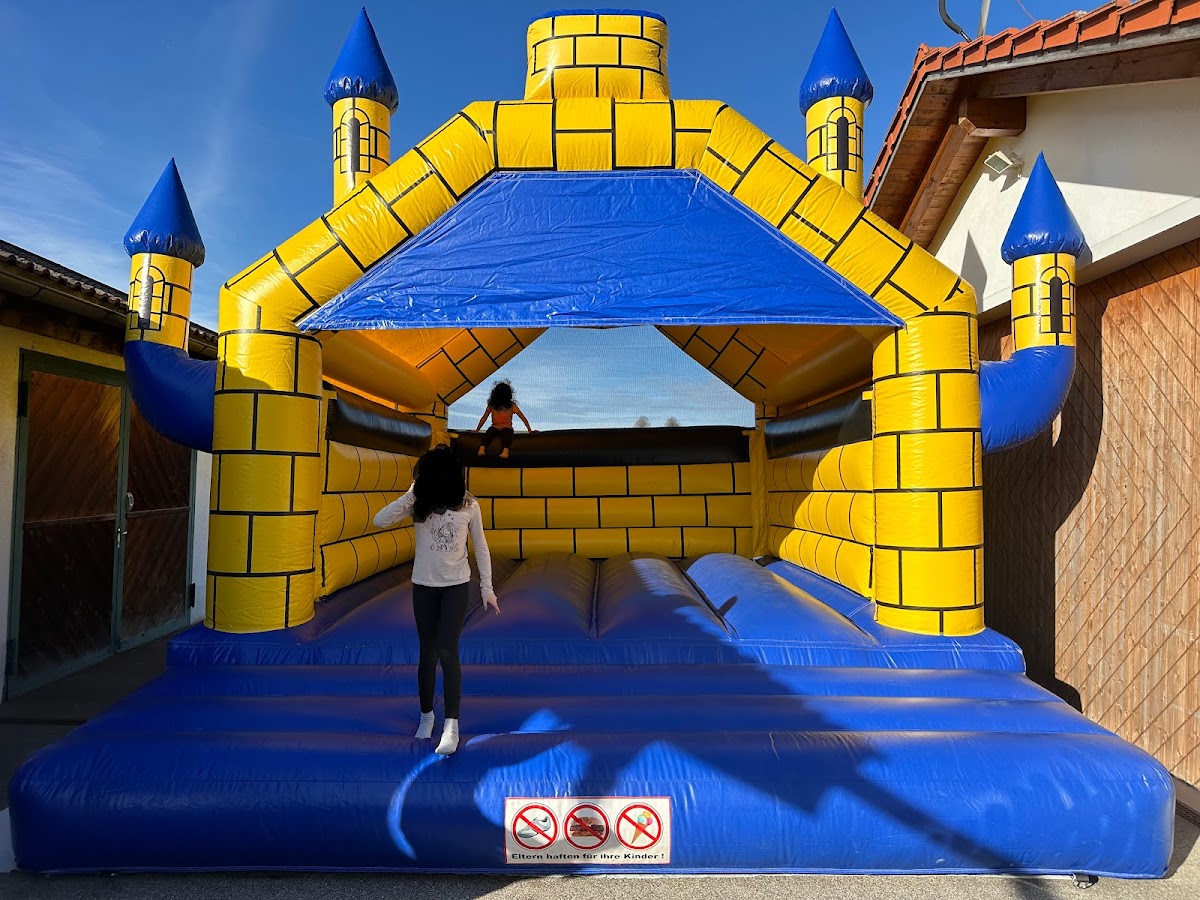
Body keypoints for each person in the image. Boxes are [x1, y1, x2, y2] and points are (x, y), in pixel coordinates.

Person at [373, 445, 500, 755]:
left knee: (447, 650)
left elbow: (481, 547)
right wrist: (411, 494)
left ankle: (451, 725)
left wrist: (487, 588)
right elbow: (379, 520)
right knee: (427, 654)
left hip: (456, 585)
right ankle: (427, 716)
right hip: (424, 586)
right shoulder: (419, 503)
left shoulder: (469, 505)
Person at [475, 380, 534, 459]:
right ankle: (482, 448)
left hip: (507, 427)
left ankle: (505, 450)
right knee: (489, 433)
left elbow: (522, 417)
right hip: (495, 426)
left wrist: (529, 430)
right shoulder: (492, 405)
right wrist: (477, 430)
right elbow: (484, 418)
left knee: (506, 435)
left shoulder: (511, 405)